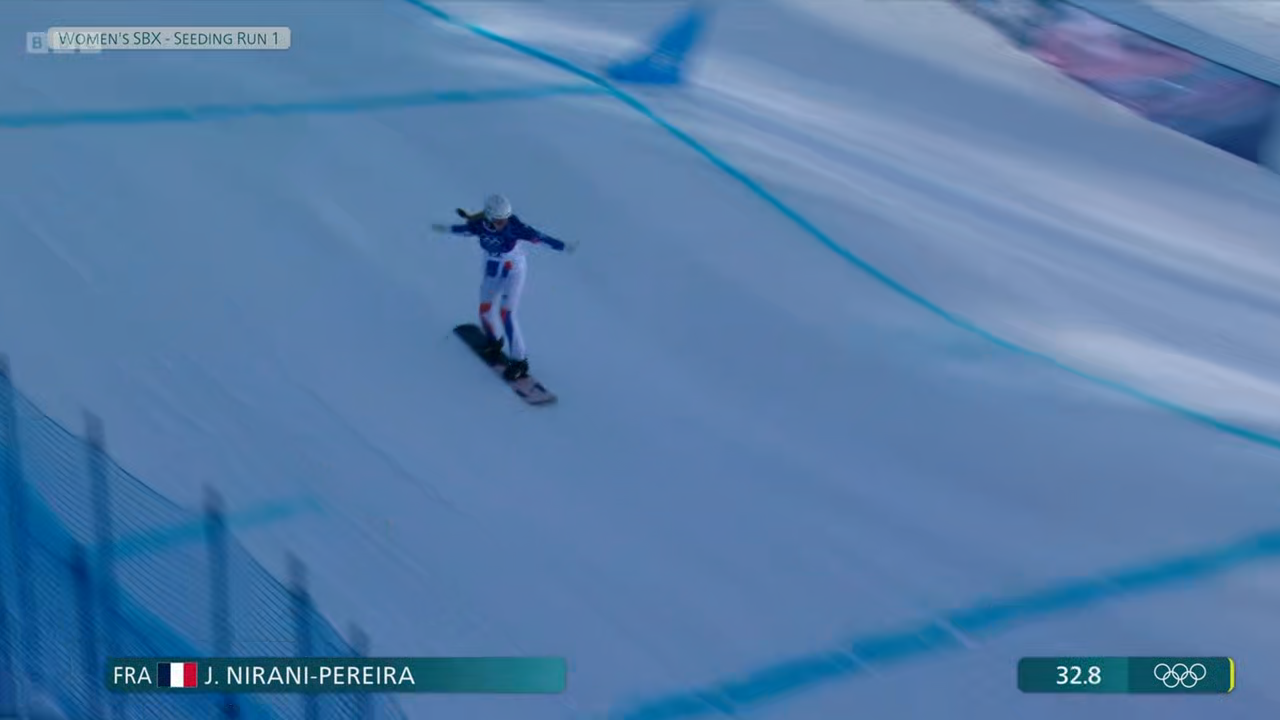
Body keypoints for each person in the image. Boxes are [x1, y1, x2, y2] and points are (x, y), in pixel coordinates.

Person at [432, 194, 574, 381]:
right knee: (484, 310)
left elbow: (539, 238)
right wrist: (444, 228)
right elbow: (465, 230)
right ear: (489, 218)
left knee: (506, 314)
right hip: (493, 271)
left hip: (513, 272)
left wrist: (563, 246)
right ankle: (494, 342)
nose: (504, 223)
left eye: (506, 219)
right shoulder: (481, 225)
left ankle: (520, 362)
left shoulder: (514, 227)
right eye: (499, 221)